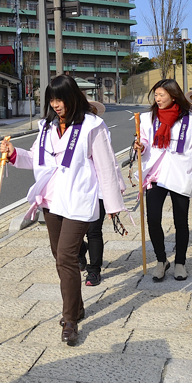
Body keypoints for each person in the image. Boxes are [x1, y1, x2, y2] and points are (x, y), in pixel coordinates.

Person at [0, 75, 125, 346]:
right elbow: (35, 158)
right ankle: (77, 306)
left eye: (60, 99)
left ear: (73, 97)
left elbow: (105, 166)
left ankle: (69, 320)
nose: (56, 105)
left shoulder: (93, 125)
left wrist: (113, 206)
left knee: (66, 257)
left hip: (79, 198)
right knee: (59, 254)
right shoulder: (46, 126)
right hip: (51, 198)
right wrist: (12, 153)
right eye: (52, 100)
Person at [133, 79, 192, 282]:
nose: (157, 99)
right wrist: (140, 146)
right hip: (156, 172)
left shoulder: (191, 119)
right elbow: (146, 140)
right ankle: (161, 260)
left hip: (180, 173)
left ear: (173, 96)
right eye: (155, 95)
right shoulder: (149, 118)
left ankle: (180, 262)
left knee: (180, 220)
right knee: (153, 218)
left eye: (161, 95)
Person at [77, 101, 126, 287]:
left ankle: (94, 270)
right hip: (76, 187)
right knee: (75, 230)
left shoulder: (98, 127)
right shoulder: (66, 128)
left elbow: (110, 161)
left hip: (97, 187)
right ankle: (80, 252)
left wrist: (115, 189)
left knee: (93, 230)